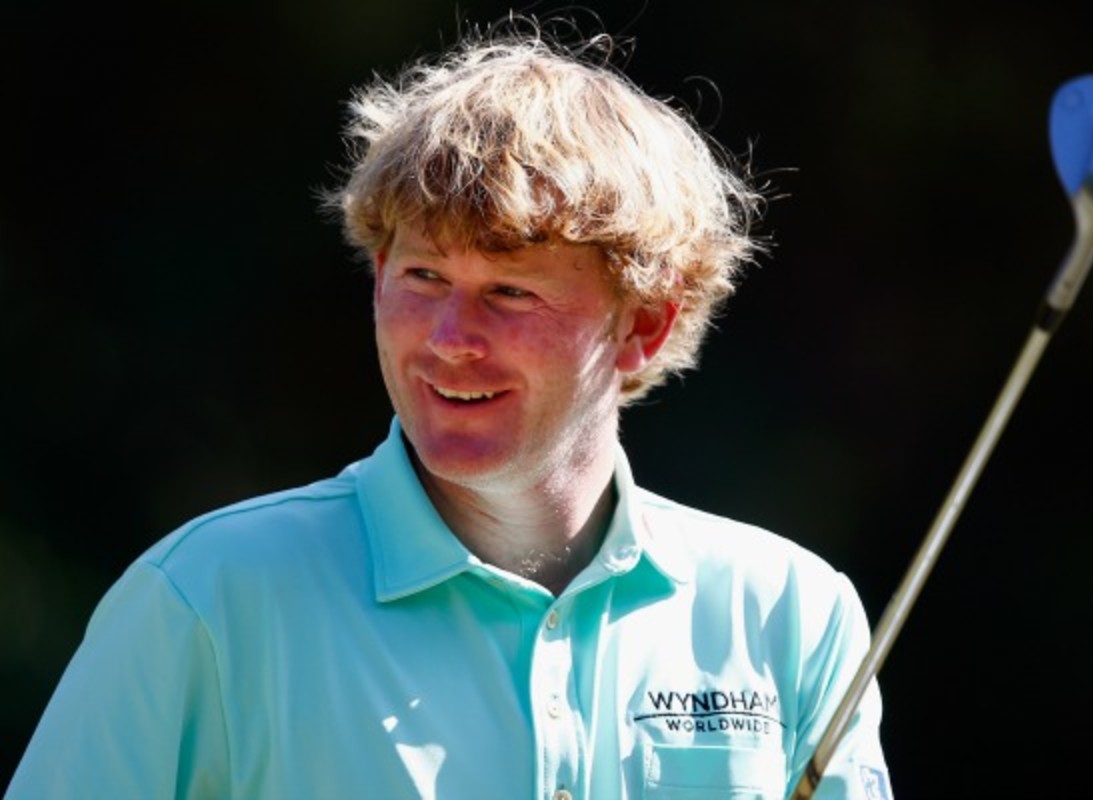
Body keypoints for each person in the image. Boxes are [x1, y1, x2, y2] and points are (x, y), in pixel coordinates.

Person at [8, 18, 892, 800]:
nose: (448, 337)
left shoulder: (791, 614)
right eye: (423, 276)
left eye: (510, 292)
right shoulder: (203, 600)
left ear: (645, 327)